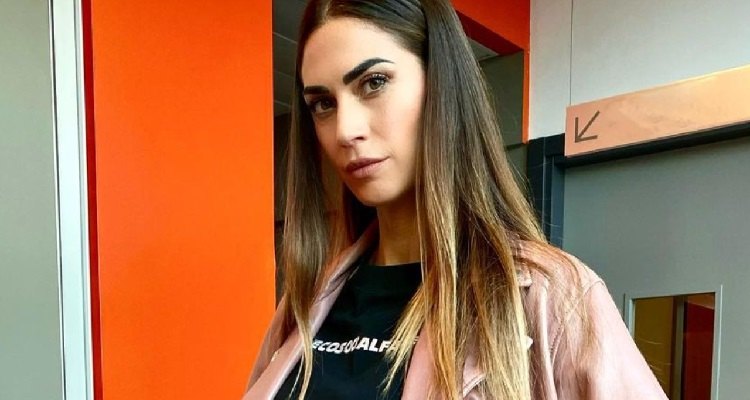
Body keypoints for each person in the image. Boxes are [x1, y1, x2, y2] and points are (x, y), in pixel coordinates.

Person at [244, 0, 667, 399]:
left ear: (441, 84)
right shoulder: (304, 304)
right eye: (322, 103)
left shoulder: (551, 297)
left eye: (374, 83)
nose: (345, 130)